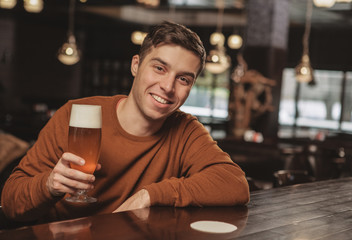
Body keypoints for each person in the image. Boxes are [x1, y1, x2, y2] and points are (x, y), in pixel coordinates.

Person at [1, 21, 250, 223]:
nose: (167, 87)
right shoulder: (75, 113)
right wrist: (49, 185)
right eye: (160, 68)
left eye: (183, 79)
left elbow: (235, 184)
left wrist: (151, 195)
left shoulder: (186, 129)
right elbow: (11, 203)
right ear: (136, 65)